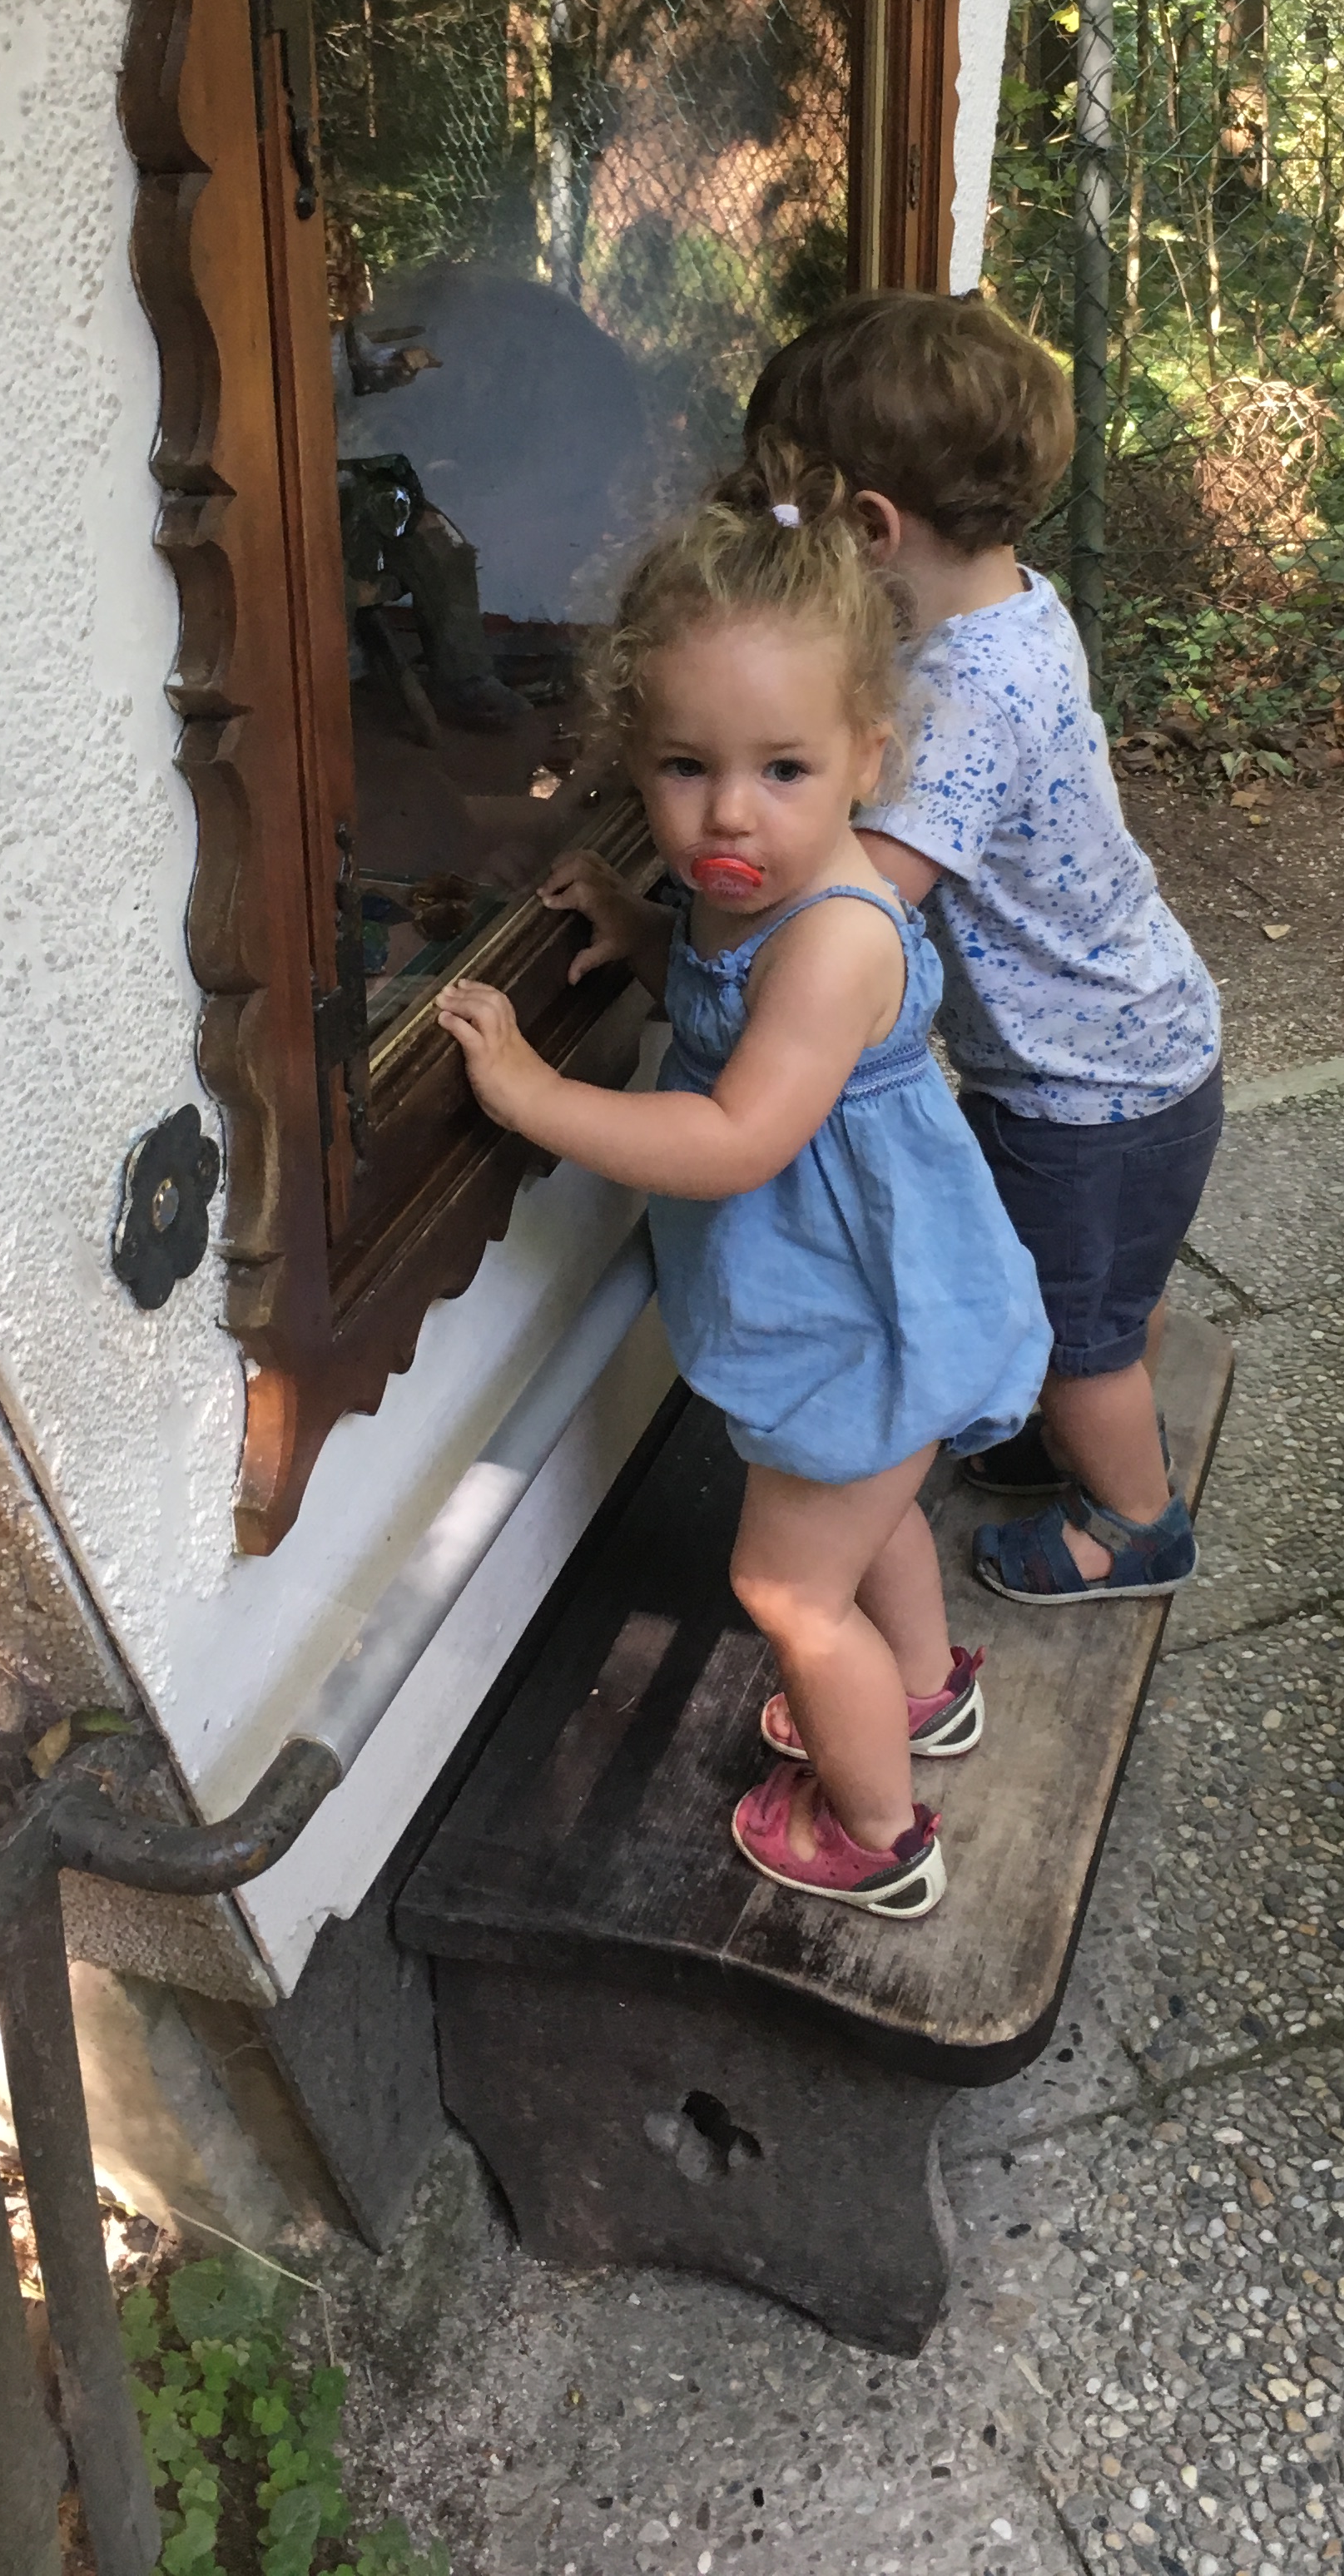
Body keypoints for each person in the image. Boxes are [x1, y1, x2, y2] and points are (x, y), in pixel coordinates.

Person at [435, 447, 1049, 1918]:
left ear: (867, 760)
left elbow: (739, 1134)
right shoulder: (745, 895)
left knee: (787, 1588)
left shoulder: (834, 936)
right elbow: (730, 1011)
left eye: (783, 771)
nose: (729, 817)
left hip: (863, 1311)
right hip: (850, 1302)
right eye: (685, 768)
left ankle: (877, 1834)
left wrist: (533, 1093)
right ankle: (918, 1689)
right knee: (865, 1510)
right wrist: (640, 935)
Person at [742, 290, 1224, 1608]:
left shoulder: (960, 691)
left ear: (870, 529)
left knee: (1075, 1335)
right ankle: (1087, 1429)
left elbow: (864, 898)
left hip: (1079, 1092)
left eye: (788, 526)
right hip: (1151, 1046)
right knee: (1112, 1291)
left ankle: (1134, 1521)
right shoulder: (1017, 609)